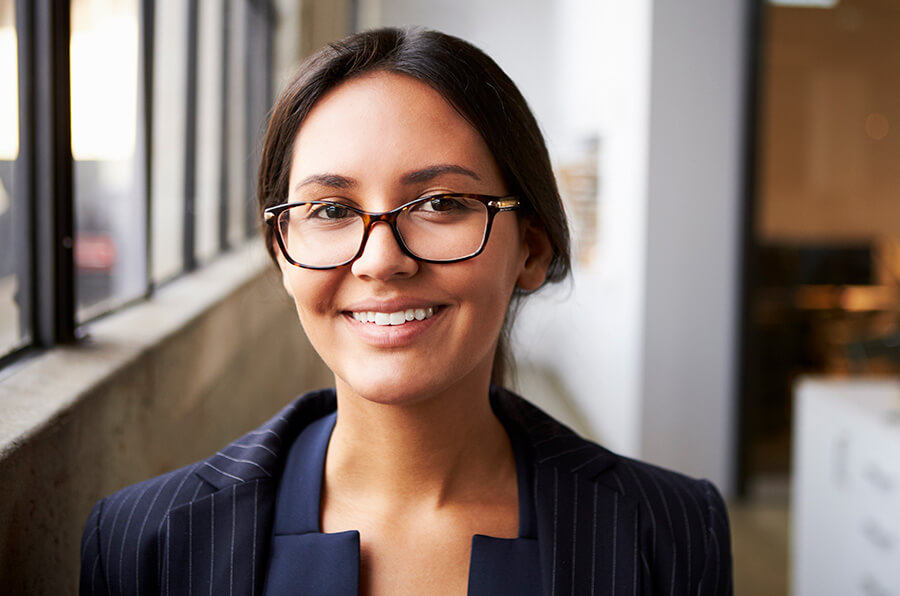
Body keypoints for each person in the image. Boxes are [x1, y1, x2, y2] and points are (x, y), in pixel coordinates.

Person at [80, 27, 733, 595]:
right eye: (332, 211)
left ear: (530, 249)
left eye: (441, 204)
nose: (381, 261)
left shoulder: (671, 535)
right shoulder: (145, 545)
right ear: (282, 252)